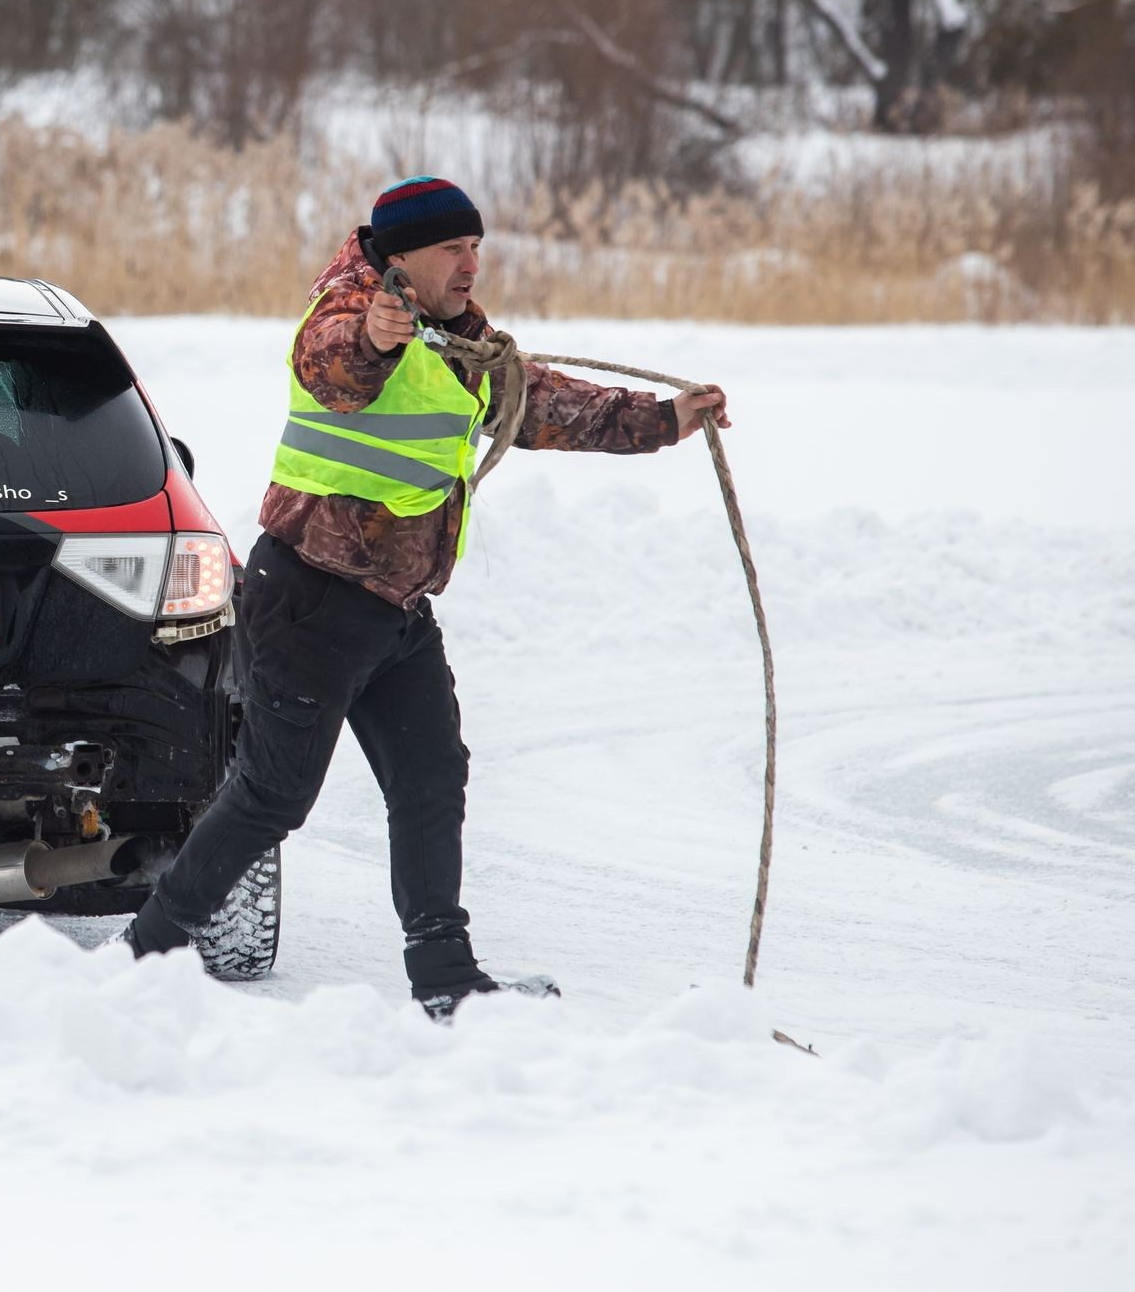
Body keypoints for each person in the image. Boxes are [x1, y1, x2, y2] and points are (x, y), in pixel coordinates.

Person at [124, 174, 731, 1017]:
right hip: (309, 598)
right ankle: (142, 953)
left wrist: (665, 419)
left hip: (396, 609)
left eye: (477, 246)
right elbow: (335, 362)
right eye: (454, 248)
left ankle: (445, 977)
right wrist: (375, 334)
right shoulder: (345, 311)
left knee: (431, 777)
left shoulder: (462, 341)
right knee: (273, 795)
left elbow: (538, 403)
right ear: (400, 255)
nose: (472, 262)